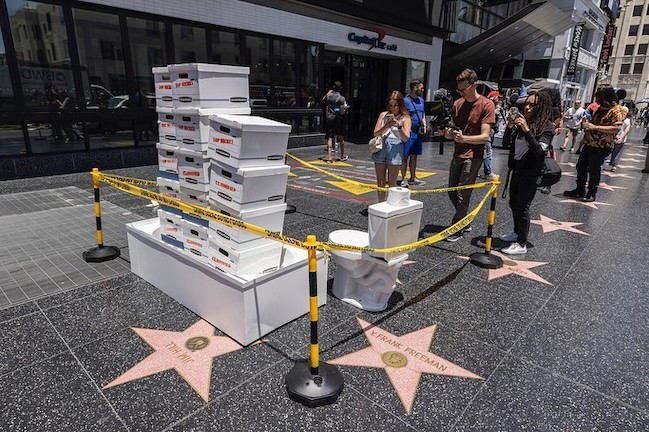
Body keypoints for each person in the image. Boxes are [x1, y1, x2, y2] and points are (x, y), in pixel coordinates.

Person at [442, 68, 495, 242]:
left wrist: (464, 138)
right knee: (451, 190)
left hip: (474, 155)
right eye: (459, 90)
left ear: (474, 85)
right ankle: (465, 221)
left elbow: (485, 137)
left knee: (463, 193)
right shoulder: (458, 104)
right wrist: (447, 133)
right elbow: (451, 132)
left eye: (463, 89)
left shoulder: (487, 104)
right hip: (458, 152)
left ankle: (456, 227)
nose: (461, 93)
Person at [499, 91, 555, 255]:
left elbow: (539, 151)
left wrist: (526, 130)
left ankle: (521, 243)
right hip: (517, 170)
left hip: (531, 172)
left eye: (533, 105)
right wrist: (510, 127)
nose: (527, 108)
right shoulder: (522, 121)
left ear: (541, 107)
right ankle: (517, 232)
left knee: (523, 207)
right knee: (513, 204)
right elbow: (505, 143)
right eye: (526, 104)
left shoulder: (547, 127)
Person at [563, 86, 626, 202]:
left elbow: (616, 128)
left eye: (600, 97)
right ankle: (580, 189)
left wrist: (595, 127)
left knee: (594, 169)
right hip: (590, 142)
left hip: (602, 145)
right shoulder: (600, 108)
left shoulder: (616, 110)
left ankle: (591, 192)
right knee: (581, 166)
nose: (597, 100)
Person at [372, 91, 411, 201]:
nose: (393, 108)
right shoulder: (383, 115)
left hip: (395, 148)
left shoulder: (405, 118)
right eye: (390, 105)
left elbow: (406, 138)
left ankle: (391, 204)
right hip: (381, 146)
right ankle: (380, 203)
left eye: (395, 105)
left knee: (392, 181)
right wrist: (386, 125)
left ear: (400, 104)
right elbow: (375, 133)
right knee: (380, 181)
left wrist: (399, 126)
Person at [400, 79, 427, 187]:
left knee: (414, 155)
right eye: (421, 88)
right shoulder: (405, 101)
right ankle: (403, 178)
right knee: (405, 156)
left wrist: (424, 125)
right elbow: (402, 115)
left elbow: (423, 114)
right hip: (409, 132)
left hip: (418, 132)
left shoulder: (421, 101)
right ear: (415, 87)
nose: (422, 90)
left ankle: (413, 177)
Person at [323, 82, 347, 162]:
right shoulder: (341, 98)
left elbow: (323, 100)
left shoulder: (328, 96)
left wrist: (328, 92)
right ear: (340, 88)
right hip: (338, 119)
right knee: (340, 136)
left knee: (329, 137)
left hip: (329, 118)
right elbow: (342, 112)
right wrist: (344, 109)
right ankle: (342, 155)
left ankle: (329, 157)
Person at [481, 90, 502, 179]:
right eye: (498, 98)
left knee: (485, 151)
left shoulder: (487, 106)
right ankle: (487, 173)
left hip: (490, 132)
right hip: (487, 132)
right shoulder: (490, 107)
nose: (499, 100)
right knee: (488, 152)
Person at [607, 106, 631, 172]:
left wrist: (621, 137)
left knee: (616, 153)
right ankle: (611, 164)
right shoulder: (617, 118)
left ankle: (614, 165)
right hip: (614, 137)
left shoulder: (626, 120)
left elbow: (627, 130)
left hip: (619, 138)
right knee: (610, 151)